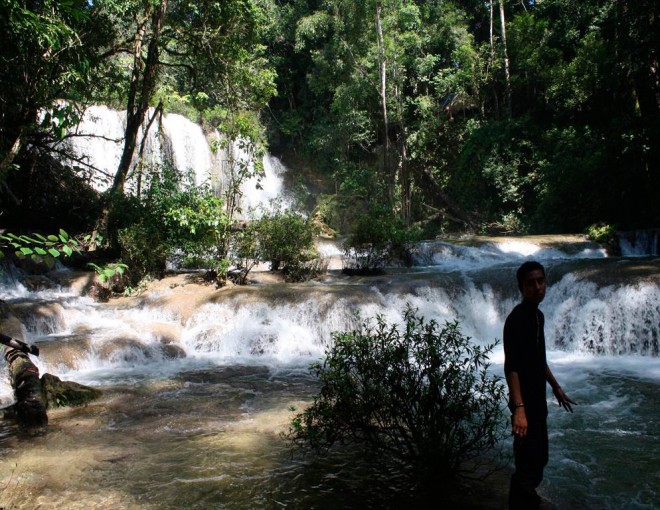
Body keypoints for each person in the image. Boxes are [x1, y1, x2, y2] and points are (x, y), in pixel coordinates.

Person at [503, 261, 576, 509]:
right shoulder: (517, 319)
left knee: (539, 458)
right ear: (521, 287)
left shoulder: (538, 316)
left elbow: (539, 358)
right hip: (525, 404)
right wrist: (519, 408)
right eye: (531, 283)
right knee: (527, 464)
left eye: (540, 281)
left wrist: (556, 387)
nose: (537, 287)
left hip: (537, 400)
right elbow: (511, 366)